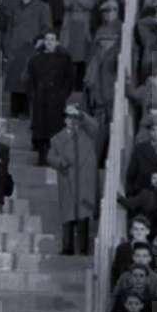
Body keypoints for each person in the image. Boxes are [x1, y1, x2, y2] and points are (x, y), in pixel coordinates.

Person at [46, 102, 98, 254]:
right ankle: (67, 247)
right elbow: (50, 157)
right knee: (67, 215)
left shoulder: (87, 133)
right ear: (64, 120)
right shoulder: (57, 138)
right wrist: (60, 162)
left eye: (74, 117)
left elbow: (95, 127)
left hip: (84, 180)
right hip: (67, 178)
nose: (71, 120)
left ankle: (83, 248)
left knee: (84, 214)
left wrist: (81, 114)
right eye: (68, 117)